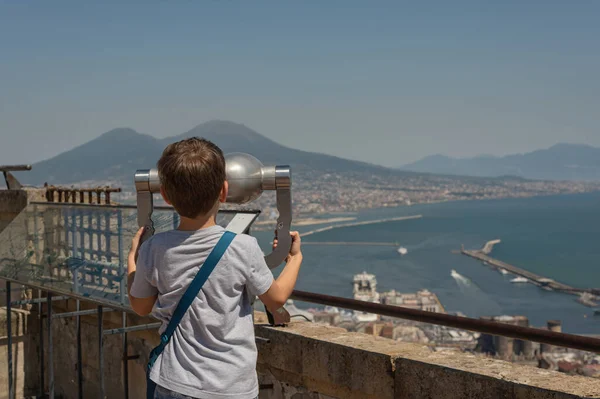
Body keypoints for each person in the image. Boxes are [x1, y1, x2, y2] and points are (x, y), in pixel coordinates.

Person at [127, 137, 302, 399]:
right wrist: (294, 258)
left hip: (174, 383)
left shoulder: (155, 248)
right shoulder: (243, 247)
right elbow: (276, 298)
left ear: (163, 195)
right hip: (231, 387)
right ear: (224, 191)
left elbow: (140, 306)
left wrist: (133, 258)